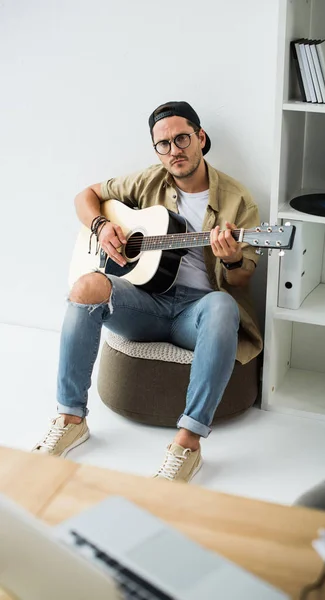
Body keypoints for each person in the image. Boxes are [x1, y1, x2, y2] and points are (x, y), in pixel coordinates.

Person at [32, 101, 263, 482]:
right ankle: (71, 417)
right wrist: (102, 226)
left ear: (201, 138)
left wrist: (234, 259)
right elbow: (84, 196)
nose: (174, 151)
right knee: (87, 285)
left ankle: (187, 443)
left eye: (183, 139)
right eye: (164, 144)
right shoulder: (147, 181)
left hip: (198, 313)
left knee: (223, 305)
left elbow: (241, 280)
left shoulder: (239, 200)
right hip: (146, 305)